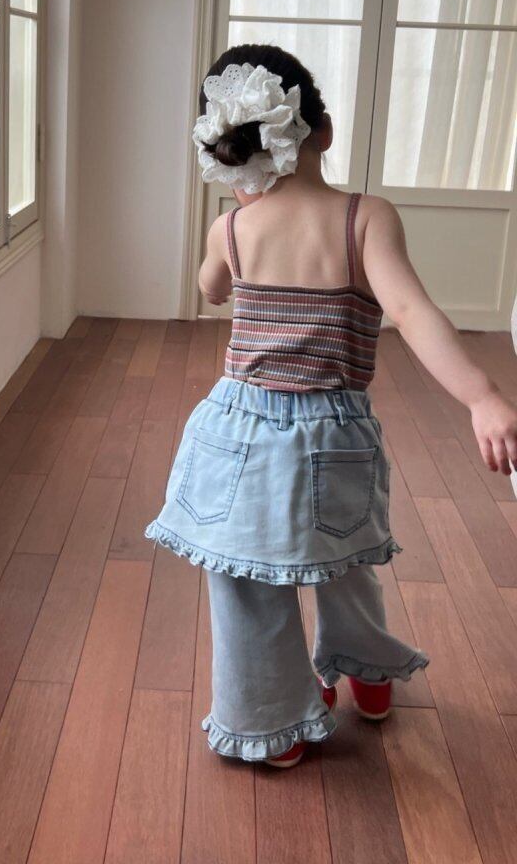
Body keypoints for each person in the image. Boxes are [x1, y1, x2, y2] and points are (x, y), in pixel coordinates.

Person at [144, 43, 517, 769]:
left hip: (238, 429)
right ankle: (367, 673)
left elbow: (210, 290)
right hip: (331, 430)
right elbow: (409, 310)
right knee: (344, 560)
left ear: (233, 151)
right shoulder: (364, 218)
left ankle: (272, 727)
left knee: (247, 581)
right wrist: (483, 395)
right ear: (325, 130)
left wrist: (240, 218)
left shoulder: (232, 229)